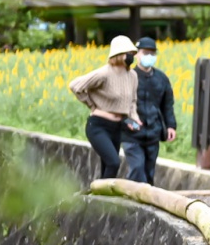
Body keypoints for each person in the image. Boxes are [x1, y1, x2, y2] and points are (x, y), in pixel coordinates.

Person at [69, 35, 142, 180]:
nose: (130, 57)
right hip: (98, 126)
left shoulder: (133, 75)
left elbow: (132, 101)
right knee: (113, 162)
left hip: (117, 126)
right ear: (118, 54)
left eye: (132, 53)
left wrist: (134, 119)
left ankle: (100, 197)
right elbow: (75, 86)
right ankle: (99, 196)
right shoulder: (104, 73)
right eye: (127, 53)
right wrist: (92, 105)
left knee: (108, 168)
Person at [129, 36, 177, 186]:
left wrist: (171, 126)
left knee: (149, 172)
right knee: (137, 169)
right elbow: (120, 103)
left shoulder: (161, 78)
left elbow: (167, 104)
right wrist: (128, 121)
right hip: (132, 132)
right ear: (137, 54)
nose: (149, 56)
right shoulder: (128, 77)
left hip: (153, 132)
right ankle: (131, 201)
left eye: (152, 53)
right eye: (145, 52)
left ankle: (144, 206)